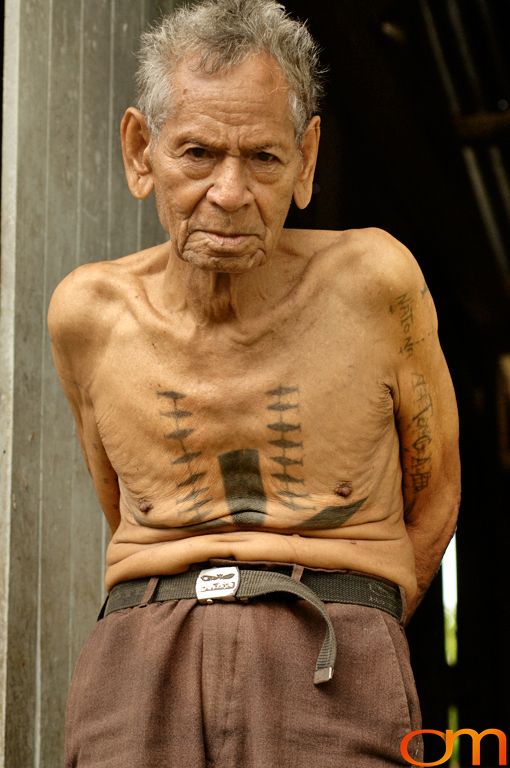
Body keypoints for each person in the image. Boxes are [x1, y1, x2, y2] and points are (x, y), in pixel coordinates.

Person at [49, 1, 460, 766]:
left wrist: (362, 614)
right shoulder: (88, 315)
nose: (231, 193)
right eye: (198, 153)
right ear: (142, 151)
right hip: (143, 657)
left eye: (264, 159)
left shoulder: (377, 283)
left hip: (332, 655)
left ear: (306, 160)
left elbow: (435, 492)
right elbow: (121, 501)